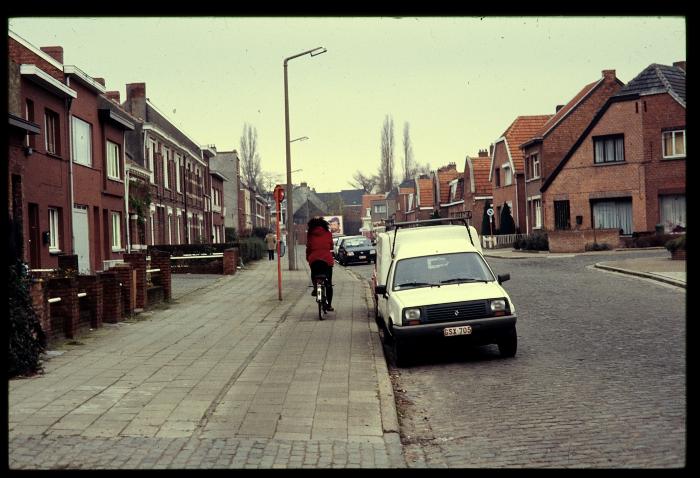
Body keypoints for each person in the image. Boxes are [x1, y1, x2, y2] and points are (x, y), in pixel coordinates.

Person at [306, 216, 334, 312]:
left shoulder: (310, 234)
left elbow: (309, 247)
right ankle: (329, 305)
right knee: (329, 283)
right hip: (327, 260)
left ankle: (315, 288)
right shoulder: (328, 233)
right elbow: (331, 246)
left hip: (314, 259)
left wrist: (308, 257)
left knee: (314, 273)